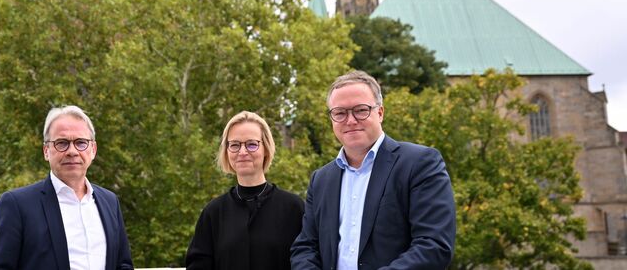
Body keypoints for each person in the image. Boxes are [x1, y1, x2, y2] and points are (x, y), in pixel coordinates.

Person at [290, 70, 456, 269]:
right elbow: (305, 247)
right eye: (340, 113)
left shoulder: (419, 164)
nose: (350, 120)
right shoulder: (321, 180)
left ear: (380, 112)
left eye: (361, 110)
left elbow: (434, 245)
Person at [0, 105, 133, 270]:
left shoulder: (109, 202)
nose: (72, 151)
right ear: (46, 151)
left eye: (81, 143)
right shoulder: (17, 205)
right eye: (62, 143)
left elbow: (122, 264)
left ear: (93, 150)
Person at [186, 111, 304, 270]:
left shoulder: (294, 208)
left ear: (266, 149)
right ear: (227, 152)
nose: (242, 152)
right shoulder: (213, 213)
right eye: (234, 145)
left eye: (251, 144)